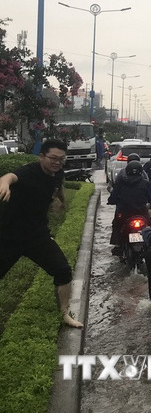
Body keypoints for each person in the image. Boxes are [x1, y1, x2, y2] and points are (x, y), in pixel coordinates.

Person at [0, 139, 83, 328]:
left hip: (37, 236)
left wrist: (61, 201)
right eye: (53, 158)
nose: (57, 162)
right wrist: (4, 184)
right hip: (8, 236)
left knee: (62, 270)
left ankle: (64, 314)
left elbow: (57, 185)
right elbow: (9, 177)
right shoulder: (29, 172)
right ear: (41, 157)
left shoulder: (57, 172)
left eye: (61, 159)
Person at [107, 161, 151, 252]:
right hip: (142, 214)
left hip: (124, 214)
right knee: (148, 224)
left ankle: (117, 245)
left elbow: (113, 198)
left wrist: (111, 201)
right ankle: (149, 244)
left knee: (117, 224)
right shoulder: (146, 184)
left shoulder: (120, 183)